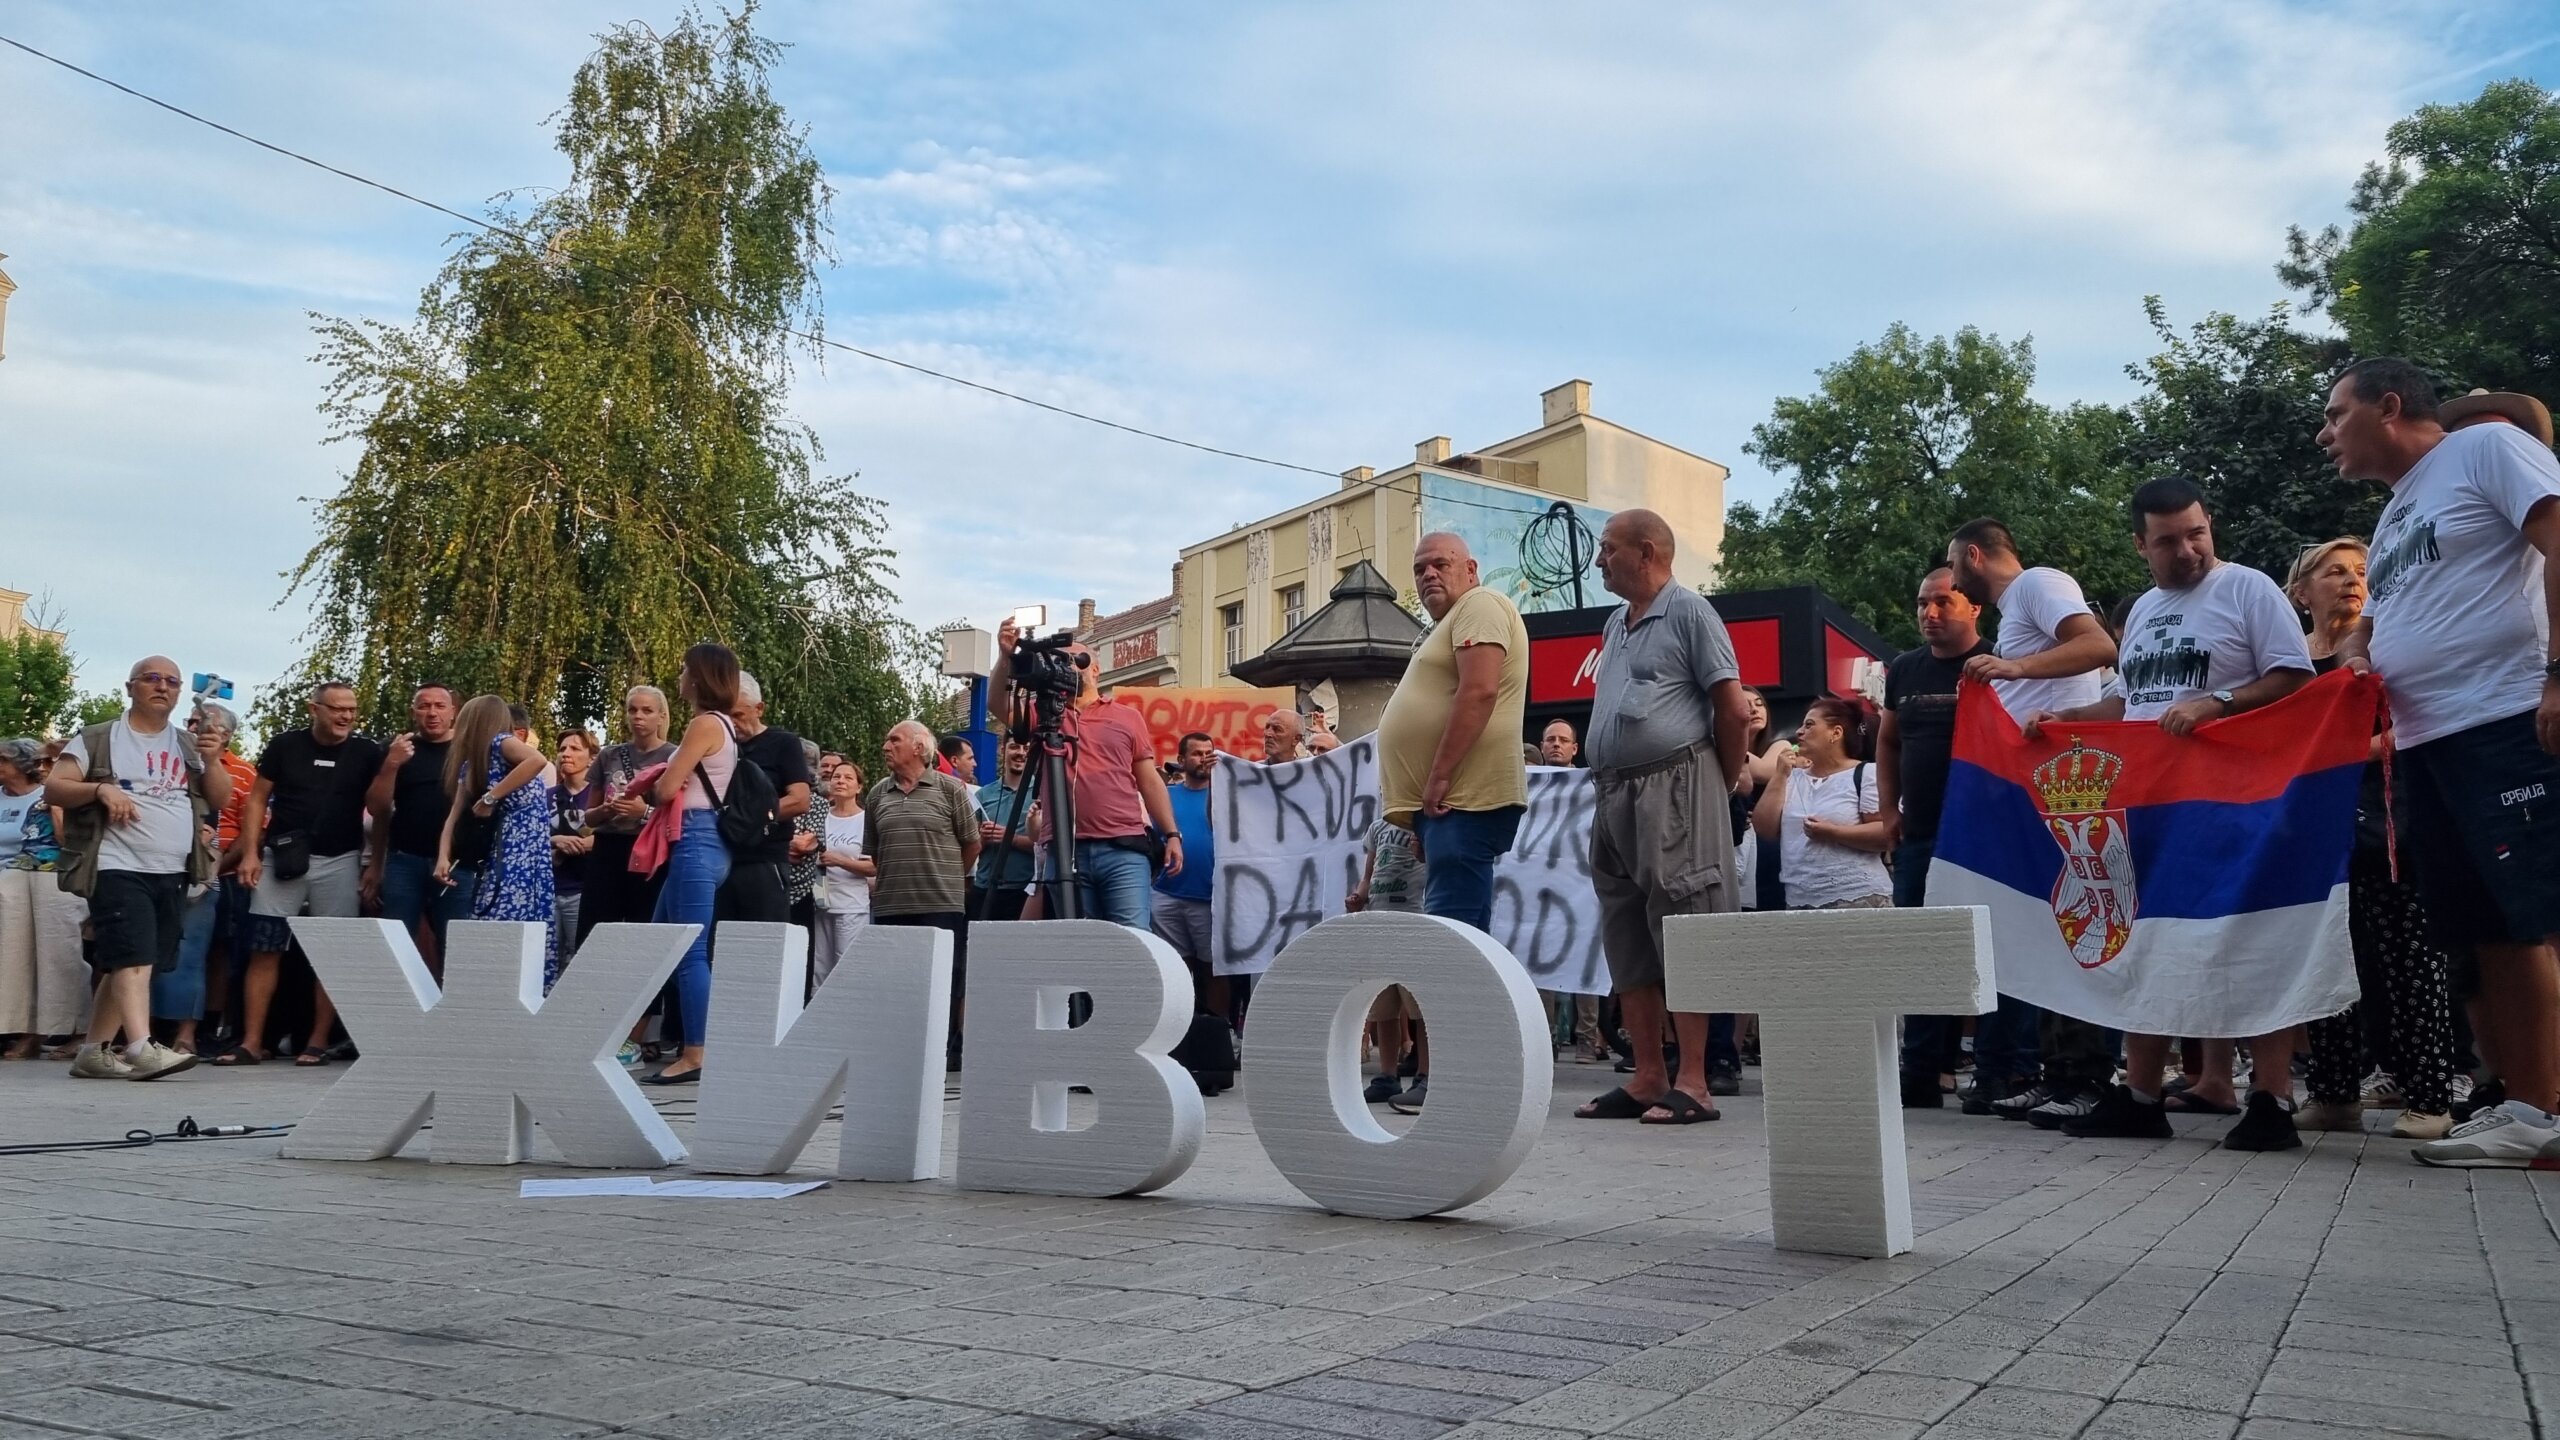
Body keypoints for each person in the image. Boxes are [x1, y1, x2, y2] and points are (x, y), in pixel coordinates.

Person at [2020, 477, 2315, 1149]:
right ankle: (2142, 1095)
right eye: (2168, 540)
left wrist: (2220, 705)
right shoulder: (2147, 610)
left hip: (2235, 800)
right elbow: (2130, 700)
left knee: (2249, 936)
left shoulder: (2248, 588)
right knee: (2142, 941)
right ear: (2139, 545)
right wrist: (2068, 718)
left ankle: (2271, 1098)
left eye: (2197, 533)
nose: (2187, 550)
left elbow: (2295, 678)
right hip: (2150, 803)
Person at [2317, 361, 2560, 1168]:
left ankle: (2549, 1107)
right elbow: (2377, 626)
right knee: (2477, 931)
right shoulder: (2393, 518)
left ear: (2389, 408)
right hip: (2427, 744)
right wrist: (2354, 649)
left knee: (2529, 916)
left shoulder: (2488, 446)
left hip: (2506, 716)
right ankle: (2521, 1109)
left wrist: (2559, 676)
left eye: (2335, 414)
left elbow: (2557, 536)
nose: (2324, 434)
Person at [1571, 510, 1750, 1128]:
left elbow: (1732, 706)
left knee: (1685, 922)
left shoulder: (1691, 611)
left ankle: (1695, 1081)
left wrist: (1722, 781)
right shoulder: (1615, 623)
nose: (1599, 561)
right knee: (1627, 931)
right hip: (1614, 790)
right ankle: (1649, 1076)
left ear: (1646, 552)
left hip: (1676, 782)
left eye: (1608, 550)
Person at [1946, 517, 2122, 1126]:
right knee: (2048, 928)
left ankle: (2089, 1076)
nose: (1954, 578)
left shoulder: (2038, 583)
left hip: (2065, 787)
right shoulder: (2019, 604)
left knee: (2077, 926)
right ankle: (2056, 1073)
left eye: (1954, 565)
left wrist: (2013, 670)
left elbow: (2099, 646)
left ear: (1974, 555)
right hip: (2037, 789)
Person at [2288, 537, 2460, 1141]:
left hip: (2389, 822)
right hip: (2313, 829)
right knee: (2326, 958)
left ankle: (2432, 1096)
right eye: (2333, 571)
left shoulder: (2387, 647)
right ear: (2300, 591)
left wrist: (2335, 756)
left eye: (2361, 570)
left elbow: (2415, 724)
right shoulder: (2288, 662)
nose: (2351, 580)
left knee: (2407, 958)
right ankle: (2334, 1092)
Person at [1879, 568, 2027, 1112]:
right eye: (1922, 603)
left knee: (1995, 953)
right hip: (1920, 834)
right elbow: (1889, 742)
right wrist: (1886, 807)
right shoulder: (1903, 669)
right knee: (1921, 951)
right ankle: (1921, 1071)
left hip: (1989, 837)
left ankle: (1995, 1072)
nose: (1930, 613)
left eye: (1944, 601)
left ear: (1975, 609)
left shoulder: (2000, 661)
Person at [46, 657, 229, 1080]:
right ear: (130, 687)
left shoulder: (187, 743)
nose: (162, 686)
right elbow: (56, 786)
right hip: (116, 862)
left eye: (171, 681)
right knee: (135, 958)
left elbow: (218, 800)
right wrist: (101, 788)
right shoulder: (99, 738)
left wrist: (215, 760)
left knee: (130, 959)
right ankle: (141, 1046)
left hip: (172, 868)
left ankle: (93, 1052)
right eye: (152, 679)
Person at [228, 679, 384, 1067]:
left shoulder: (367, 752)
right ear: (315, 709)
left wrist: (375, 864)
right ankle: (251, 1041)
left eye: (352, 709)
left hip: (341, 859)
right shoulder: (285, 744)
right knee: (264, 948)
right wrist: (249, 853)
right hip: (282, 858)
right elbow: (257, 797)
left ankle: (316, 1042)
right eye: (337, 708)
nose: (346, 716)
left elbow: (382, 810)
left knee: (334, 955)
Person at [1378, 532, 1529, 934]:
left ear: (1470, 569)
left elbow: (1479, 691)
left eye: (1440, 564)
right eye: (1419, 569)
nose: (1428, 574)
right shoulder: (1452, 623)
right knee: (1466, 936)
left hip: (1462, 799)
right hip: (1450, 806)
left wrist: (1439, 777)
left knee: (1449, 938)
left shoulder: (1479, 604)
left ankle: (1446, 1001)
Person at [991, 627, 1183, 927]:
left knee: (1135, 938)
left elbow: (1149, 780)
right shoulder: (1045, 712)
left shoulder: (1127, 716)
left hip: (1122, 848)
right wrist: (1005, 658)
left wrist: (1171, 834)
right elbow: (998, 705)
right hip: (1065, 849)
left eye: (1074, 660)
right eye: (1060, 661)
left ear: (1095, 670)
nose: (1066, 667)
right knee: (1080, 945)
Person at [642, 643, 744, 1086]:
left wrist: (646, 790)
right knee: (660, 944)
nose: (680, 675)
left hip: (696, 839)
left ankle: (696, 1050)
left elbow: (666, 790)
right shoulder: (727, 726)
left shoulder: (704, 724)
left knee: (687, 951)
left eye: (685, 670)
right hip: (711, 843)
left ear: (699, 678)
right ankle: (647, 1039)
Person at [866, 721, 980, 1068]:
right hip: (891, 906)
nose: (886, 745)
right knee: (897, 983)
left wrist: (948, 879)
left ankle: (939, 1055)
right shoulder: (876, 794)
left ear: (919, 748)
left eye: (894, 739)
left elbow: (973, 844)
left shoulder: (950, 790)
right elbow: (875, 852)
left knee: (943, 982)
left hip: (940, 905)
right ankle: (899, 1055)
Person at [152, 702, 253, 1055]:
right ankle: (143, 1034)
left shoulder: (240, 770)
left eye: (201, 723)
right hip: (154, 856)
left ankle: (187, 1034)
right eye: (190, 722)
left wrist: (223, 859)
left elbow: (247, 823)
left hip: (207, 863)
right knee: (147, 946)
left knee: (194, 949)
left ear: (224, 734)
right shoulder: (165, 753)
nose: (192, 728)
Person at [436, 695, 558, 988]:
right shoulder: (473, 764)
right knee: (502, 919)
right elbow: (454, 816)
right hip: (512, 854)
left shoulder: (501, 743)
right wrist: (443, 857)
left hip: (523, 852)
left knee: (505, 919)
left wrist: (492, 796)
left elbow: (537, 759)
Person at [366, 684, 472, 973]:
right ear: (413, 712)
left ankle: (451, 1014)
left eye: (440, 706)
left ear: (454, 712)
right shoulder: (397, 748)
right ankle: (393, 1012)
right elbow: (377, 809)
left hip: (457, 864)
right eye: (424, 706)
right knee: (394, 943)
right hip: (405, 860)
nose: (432, 713)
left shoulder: (468, 749)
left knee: (456, 947)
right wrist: (391, 764)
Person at [1753, 695, 1889, 910]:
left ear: (1835, 733)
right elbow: (1764, 828)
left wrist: (1833, 832)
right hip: (1800, 901)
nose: (1799, 732)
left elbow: (1886, 834)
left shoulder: (1866, 774)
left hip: (1859, 897)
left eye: (1809, 725)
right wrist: (1779, 776)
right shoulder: (1792, 777)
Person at [1, 737, 91, 1058]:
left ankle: (80, 1030)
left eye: (51, 762)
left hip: (59, 874)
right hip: (22, 871)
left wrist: (56, 805)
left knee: (60, 953)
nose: (44, 768)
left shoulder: (70, 795)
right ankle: (27, 1033)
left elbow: (69, 838)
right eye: (41, 762)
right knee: (18, 958)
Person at [580, 685, 675, 941]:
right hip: (608, 847)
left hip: (649, 848)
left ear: (661, 716)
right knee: (595, 926)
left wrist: (643, 812)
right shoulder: (608, 755)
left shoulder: (674, 756)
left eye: (647, 711)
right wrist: (607, 810)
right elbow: (588, 817)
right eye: (632, 710)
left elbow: (678, 816)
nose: (638, 717)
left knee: (644, 925)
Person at [1350, 810, 1428, 1105]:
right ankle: (1386, 1075)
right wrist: (1359, 896)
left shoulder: (1424, 824)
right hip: (1379, 921)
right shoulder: (1377, 828)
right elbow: (1368, 876)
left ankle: (1424, 1074)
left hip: (1413, 919)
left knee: (1418, 1006)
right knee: (1383, 1005)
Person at [722, 672, 812, 926]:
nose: (733, 723)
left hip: (764, 858)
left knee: (764, 942)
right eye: (726, 716)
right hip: (721, 857)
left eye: (738, 715)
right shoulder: (718, 745)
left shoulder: (783, 743)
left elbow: (800, 799)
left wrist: (749, 818)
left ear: (759, 709)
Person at [1151, 732, 1219, 1007]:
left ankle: (1220, 1030)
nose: (1204, 758)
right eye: (1197, 753)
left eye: (1209, 752)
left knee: (1213, 968)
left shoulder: (1228, 797)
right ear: (1181, 760)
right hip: (1167, 894)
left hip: (1210, 897)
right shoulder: (1164, 796)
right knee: (1173, 967)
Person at [813, 757, 874, 984]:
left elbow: (873, 867)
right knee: (820, 968)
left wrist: (840, 860)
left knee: (846, 967)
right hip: (821, 901)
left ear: (859, 787)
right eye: (836, 777)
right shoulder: (821, 815)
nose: (841, 781)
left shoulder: (866, 820)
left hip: (851, 905)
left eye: (848, 777)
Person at [972, 736, 1036, 922]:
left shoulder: (1042, 792)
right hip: (985, 888)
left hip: (1024, 890)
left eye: (1026, 748)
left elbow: (1047, 848)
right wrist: (982, 838)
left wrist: (1011, 838)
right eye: (1014, 747)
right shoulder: (983, 794)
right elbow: (972, 846)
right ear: (1003, 751)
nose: (1021, 753)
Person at [550, 728, 596, 945]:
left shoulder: (601, 795)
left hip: (584, 892)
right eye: (562, 749)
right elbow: (531, 837)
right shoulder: (546, 796)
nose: (565, 754)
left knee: (578, 957)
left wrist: (581, 844)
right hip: (548, 890)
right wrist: (555, 841)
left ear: (591, 758)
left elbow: (613, 836)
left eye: (575, 748)